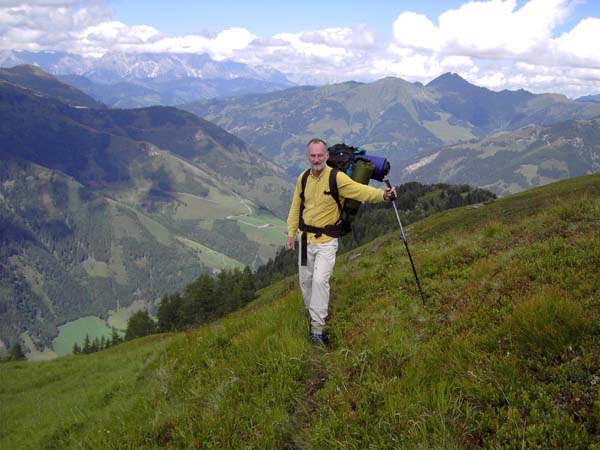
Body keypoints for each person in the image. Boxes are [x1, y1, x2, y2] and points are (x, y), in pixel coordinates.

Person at [286, 138, 396, 344]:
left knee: (319, 281)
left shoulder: (336, 178)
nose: (316, 159)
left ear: (327, 156)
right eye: (313, 156)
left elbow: (361, 191)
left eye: (320, 155)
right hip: (304, 240)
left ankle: (317, 330)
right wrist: (291, 234)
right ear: (307, 157)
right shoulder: (303, 178)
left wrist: (384, 195)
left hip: (327, 242)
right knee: (306, 283)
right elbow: (295, 207)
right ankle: (312, 317)